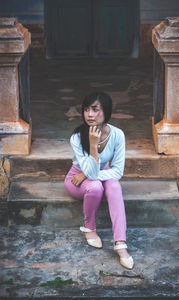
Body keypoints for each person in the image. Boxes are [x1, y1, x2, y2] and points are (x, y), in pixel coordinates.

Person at [64, 92, 134, 270]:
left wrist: (89, 175)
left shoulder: (117, 134)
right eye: (86, 110)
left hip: (96, 175)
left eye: (95, 109)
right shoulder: (77, 137)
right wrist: (93, 146)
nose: (90, 114)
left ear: (106, 111)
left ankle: (121, 244)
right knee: (95, 187)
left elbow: (117, 171)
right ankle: (89, 228)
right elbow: (90, 173)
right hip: (76, 179)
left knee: (114, 186)